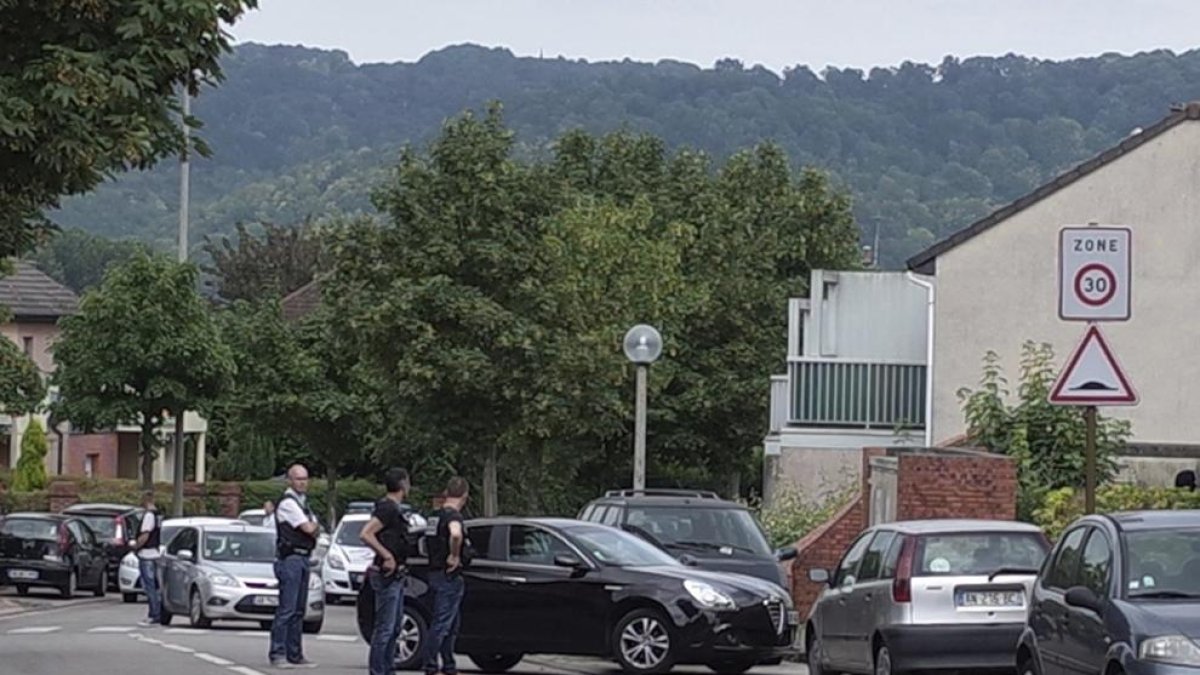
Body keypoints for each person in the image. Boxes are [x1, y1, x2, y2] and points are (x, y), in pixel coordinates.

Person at [360, 468, 414, 675]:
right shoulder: (387, 509)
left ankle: (388, 668)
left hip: (397, 575)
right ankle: (378, 670)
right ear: (402, 484)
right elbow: (366, 534)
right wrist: (387, 555)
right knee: (385, 627)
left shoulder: (394, 509)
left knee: (394, 628)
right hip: (387, 575)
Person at [269, 464, 320, 669]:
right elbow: (309, 527)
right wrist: (313, 527)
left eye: (305, 478)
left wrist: (313, 528)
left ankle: (295, 654)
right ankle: (278, 653)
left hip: (303, 558)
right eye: (298, 479)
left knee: (299, 610)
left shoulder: (303, 503)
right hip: (290, 560)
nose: (303, 482)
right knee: (287, 609)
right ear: (289, 480)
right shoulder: (289, 503)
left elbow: (314, 527)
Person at [422, 477, 469, 675]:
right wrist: (455, 555)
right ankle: (430, 664)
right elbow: (456, 534)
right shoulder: (453, 516)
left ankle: (449, 664)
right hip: (448, 575)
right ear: (464, 496)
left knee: (451, 623)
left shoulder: (434, 516)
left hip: (434, 571)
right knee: (442, 624)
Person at [134, 491, 163, 627]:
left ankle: (154, 615)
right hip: (156, 553)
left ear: (146, 500)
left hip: (147, 554)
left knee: (149, 586)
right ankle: (158, 613)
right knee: (156, 586)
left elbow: (145, 534)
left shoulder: (149, 515)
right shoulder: (159, 516)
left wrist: (136, 547)